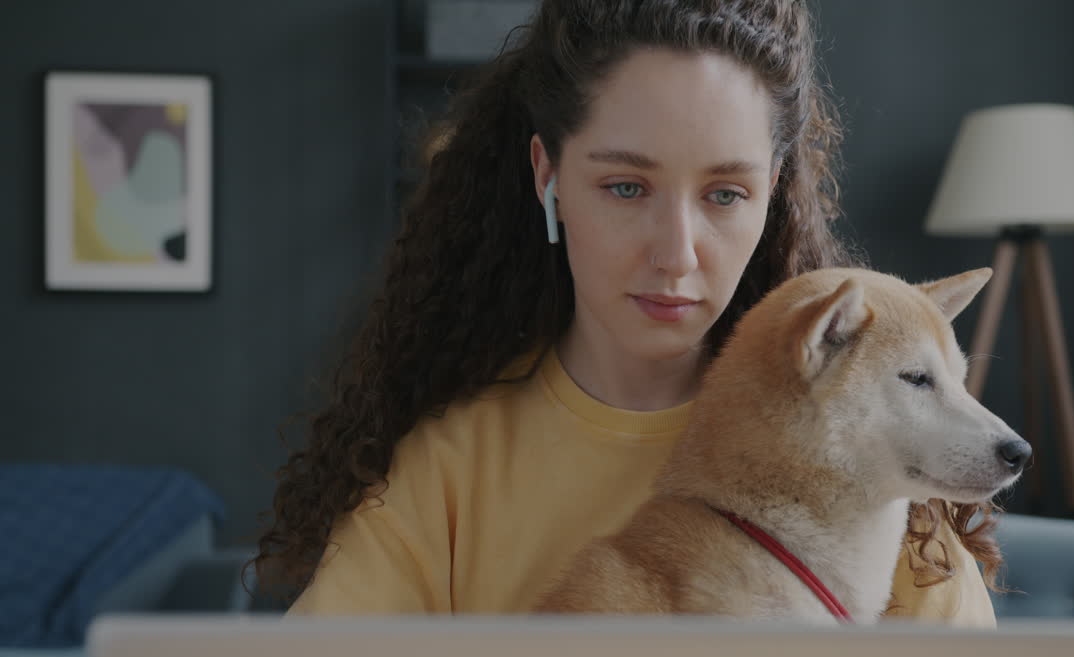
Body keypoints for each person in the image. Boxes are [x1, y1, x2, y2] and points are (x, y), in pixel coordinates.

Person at [254, 0, 1004, 623]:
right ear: (549, 176)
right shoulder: (453, 469)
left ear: (772, 192)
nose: (676, 254)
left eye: (725, 194)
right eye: (625, 187)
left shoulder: (885, 457)